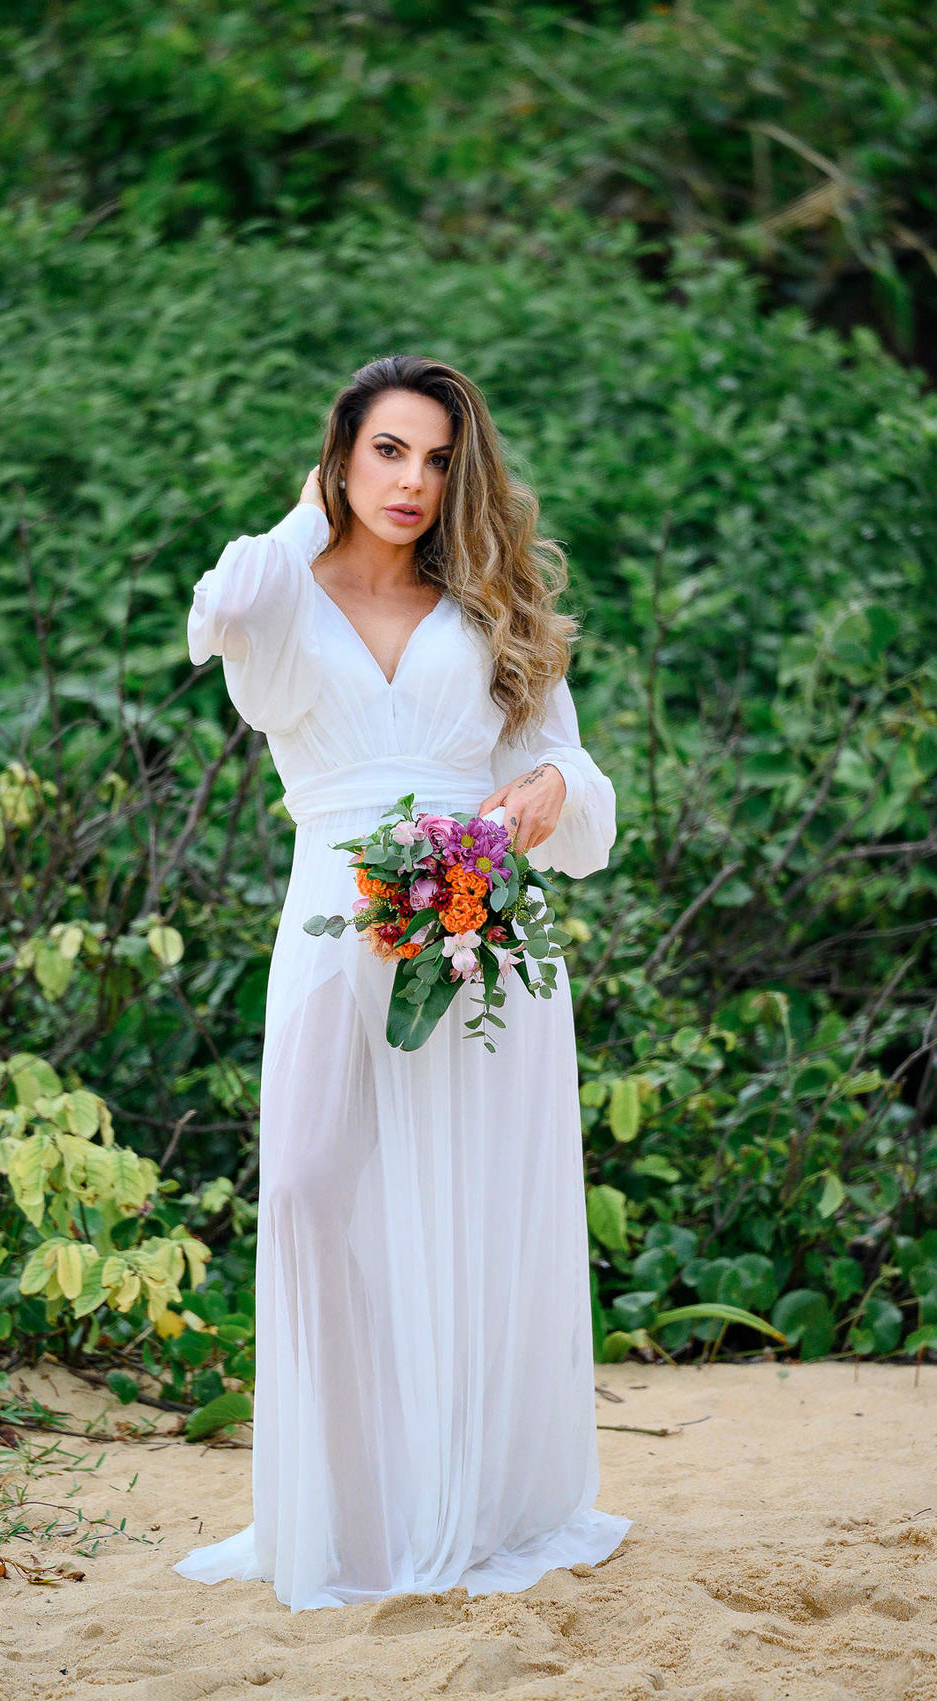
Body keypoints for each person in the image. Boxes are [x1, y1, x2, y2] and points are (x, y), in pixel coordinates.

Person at [173, 353, 630, 1611]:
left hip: (474, 934)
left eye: (437, 458)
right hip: (333, 929)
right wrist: (313, 508)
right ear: (341, 455)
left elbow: (576, 782)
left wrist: (546, 791)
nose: (414, 482)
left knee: (470, 1213)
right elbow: (220, 601)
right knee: (320, 1192)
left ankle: (471, 1508)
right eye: (388, 451)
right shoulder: (281, 594)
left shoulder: (491, 606)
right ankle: (353, 1516)